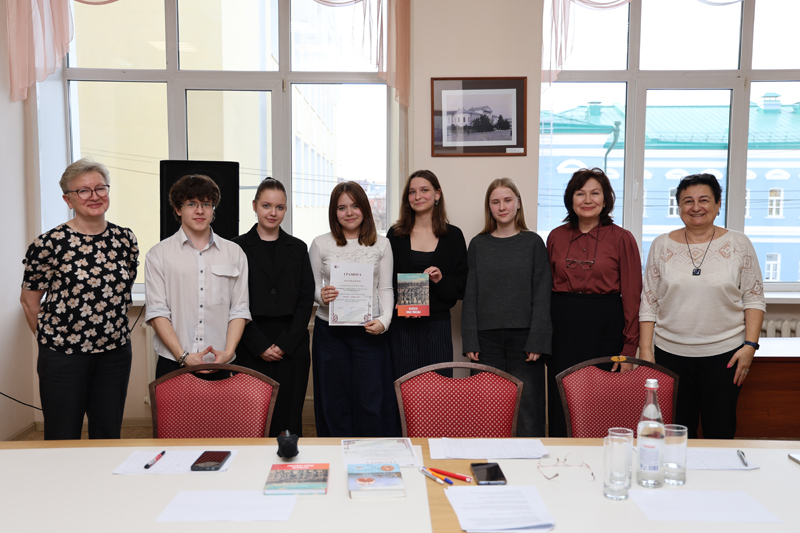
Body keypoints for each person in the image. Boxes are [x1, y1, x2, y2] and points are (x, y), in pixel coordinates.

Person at [639, 173, 765, 439]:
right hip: (669, 355)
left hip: (725, 356)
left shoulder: (739, 243)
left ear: (718, 204)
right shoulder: (661, 245)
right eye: (688, 201)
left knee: (720, 432)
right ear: (679, 207)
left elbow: (754, 297)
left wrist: (750, 346)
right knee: (675, 435)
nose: (696, 207)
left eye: (704, 200)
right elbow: (649, 300)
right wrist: (647, 351)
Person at [20, 159, 139, 440]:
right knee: (62, 435)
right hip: (63, 357)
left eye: (100, 188)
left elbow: (122, 291)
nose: (94, 196)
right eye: (83, 191)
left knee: (107, 434)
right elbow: (29, 302)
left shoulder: (125, 239)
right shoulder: (48, 244)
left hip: (114, 354)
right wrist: (52, 342)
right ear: (68, 199)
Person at [545, 168, 642, 437]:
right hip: (562, 330)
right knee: (562, 402)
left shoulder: (622, 238)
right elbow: (544, 291)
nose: (588, 200)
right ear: (570, 199)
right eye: (580, 193)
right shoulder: (555, 236)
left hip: (606, 329)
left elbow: (632, 295)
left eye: (595, 193)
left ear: (606, 199)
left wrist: (629, 346)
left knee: (603, 402)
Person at [461, 178, 552, 437]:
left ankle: (529, 458)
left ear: (518, 203)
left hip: (525, 340)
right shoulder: (478, 244)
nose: (502, 207)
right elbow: (471, 294)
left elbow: (542, 294)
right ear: (489, 207)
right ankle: (489, 458)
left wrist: (538, 339)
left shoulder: (533, 243)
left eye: (508, 200)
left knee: (528, 408)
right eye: (495, 202)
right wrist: (470, 339)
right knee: (487, 407)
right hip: (486, 341)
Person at [309, 181, 397, 437]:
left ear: (364, 209)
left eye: (355, 206)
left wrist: (385, 320)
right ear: (334, 212)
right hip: (329, 333)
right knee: (333, 401)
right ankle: (334, 453)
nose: (349, 213)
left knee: (371, 400)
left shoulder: (381, 244)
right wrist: (322, 296)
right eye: (341, 208)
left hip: (370, 330)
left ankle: (371, 454)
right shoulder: (320, 244)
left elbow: (385, 289)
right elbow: (312, 288)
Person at [145, 174, 250, 379]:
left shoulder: (234, 253)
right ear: (178, 209)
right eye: (191, 204)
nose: (200, 210)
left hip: (222, 362)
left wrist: (228, 353)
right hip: (173, 362)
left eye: (206, 204)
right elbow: (157, 312)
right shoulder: (158, 254)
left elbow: (239, 309)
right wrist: (183, 356)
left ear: (213, 209)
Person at [233, 177, 314, 437]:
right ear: (254, 206)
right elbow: (232, 301)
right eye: (266, 206)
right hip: (250, 340)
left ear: (286, 209)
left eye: (279, 207)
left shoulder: (298, 248)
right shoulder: (236, 247)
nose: (273, 212)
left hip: (292, 344)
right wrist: (258, 345)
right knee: (252, 418)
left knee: (289, 417)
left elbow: (305, 299)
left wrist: (286, 343)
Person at [386, 170, 468, 379]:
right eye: (412, 192)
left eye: (424, 190)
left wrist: (440, 280)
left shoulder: (453, 236)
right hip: (402, 326)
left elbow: (462, 285)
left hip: (437, 327)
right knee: (403, 388)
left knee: (437, 389)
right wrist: (398, 303)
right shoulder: (395, 235)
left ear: (437, 194)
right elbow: (385, 281)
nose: (418, 196)